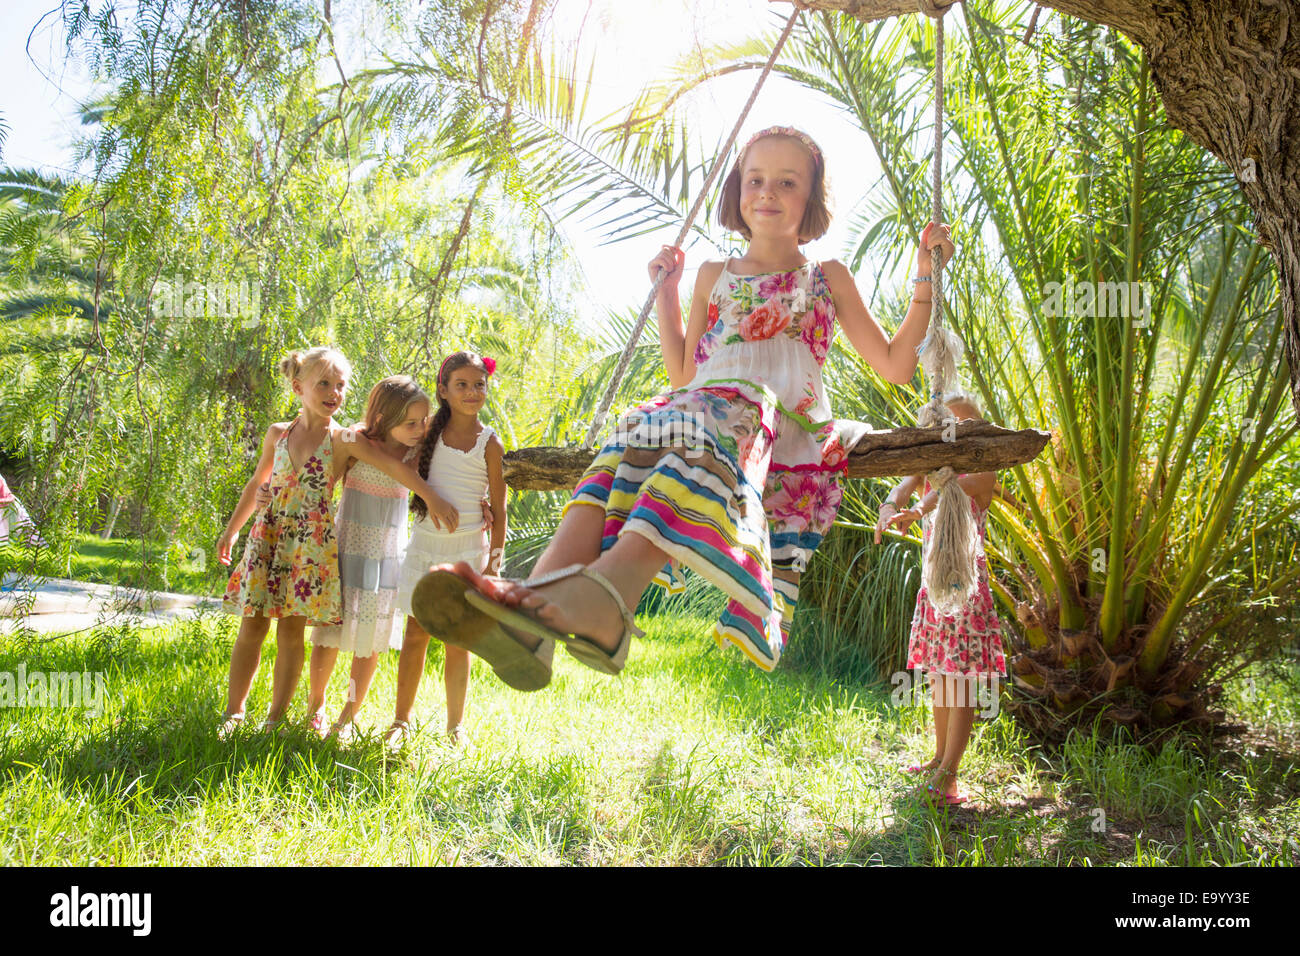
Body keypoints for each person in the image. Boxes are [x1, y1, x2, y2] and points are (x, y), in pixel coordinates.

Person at [411, 125, 954, 690]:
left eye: (787, 182)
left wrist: (924, 274)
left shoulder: (826, 277)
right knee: (632, 433)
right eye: (755, 179)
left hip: (778, 427)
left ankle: (604, 596)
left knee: (715, 413)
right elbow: (685, 375)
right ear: (736, 191)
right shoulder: (712, 276)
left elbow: (894, 365)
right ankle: (532, 610)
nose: (767, 192)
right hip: (705, 412)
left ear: (812, 198)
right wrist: (667, 293)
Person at [216, 347, 453, 735]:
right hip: (268, 539)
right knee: (251, 626)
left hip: (309, 549)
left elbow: (393, 466)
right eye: (323, 383)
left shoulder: (344, 439)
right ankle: (233, 713)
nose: (334, 392)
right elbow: (257, 482)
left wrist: (431, 495)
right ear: (298, 387)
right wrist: (232, 530)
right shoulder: (277, 433)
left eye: (340, 385)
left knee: (292, 632)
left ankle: (275, 719)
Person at [876, 391, 1006, 805]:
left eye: (964, 425)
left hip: (965, 588)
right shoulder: (934, 467)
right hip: (936, 586)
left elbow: (957, 486)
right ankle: (938, 758)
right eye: (946, 425)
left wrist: (918, 508)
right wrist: (890, 504)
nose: (954, 432)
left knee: (960, 677)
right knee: (939, 673)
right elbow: (907, 482)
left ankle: (950, 776)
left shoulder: (984, 470)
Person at [387, 352, 507, 744]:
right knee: (416, 634)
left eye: (479, 384)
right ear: (443, 390)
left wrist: (493, 566)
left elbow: (500, 509)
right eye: (462, 385)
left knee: (459, 641)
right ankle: (400, 723)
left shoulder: (490, 443)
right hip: (426, 547)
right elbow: (387, 449)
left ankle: (455, 728)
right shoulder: (427, 436)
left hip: (468, 554)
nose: (472, 392)